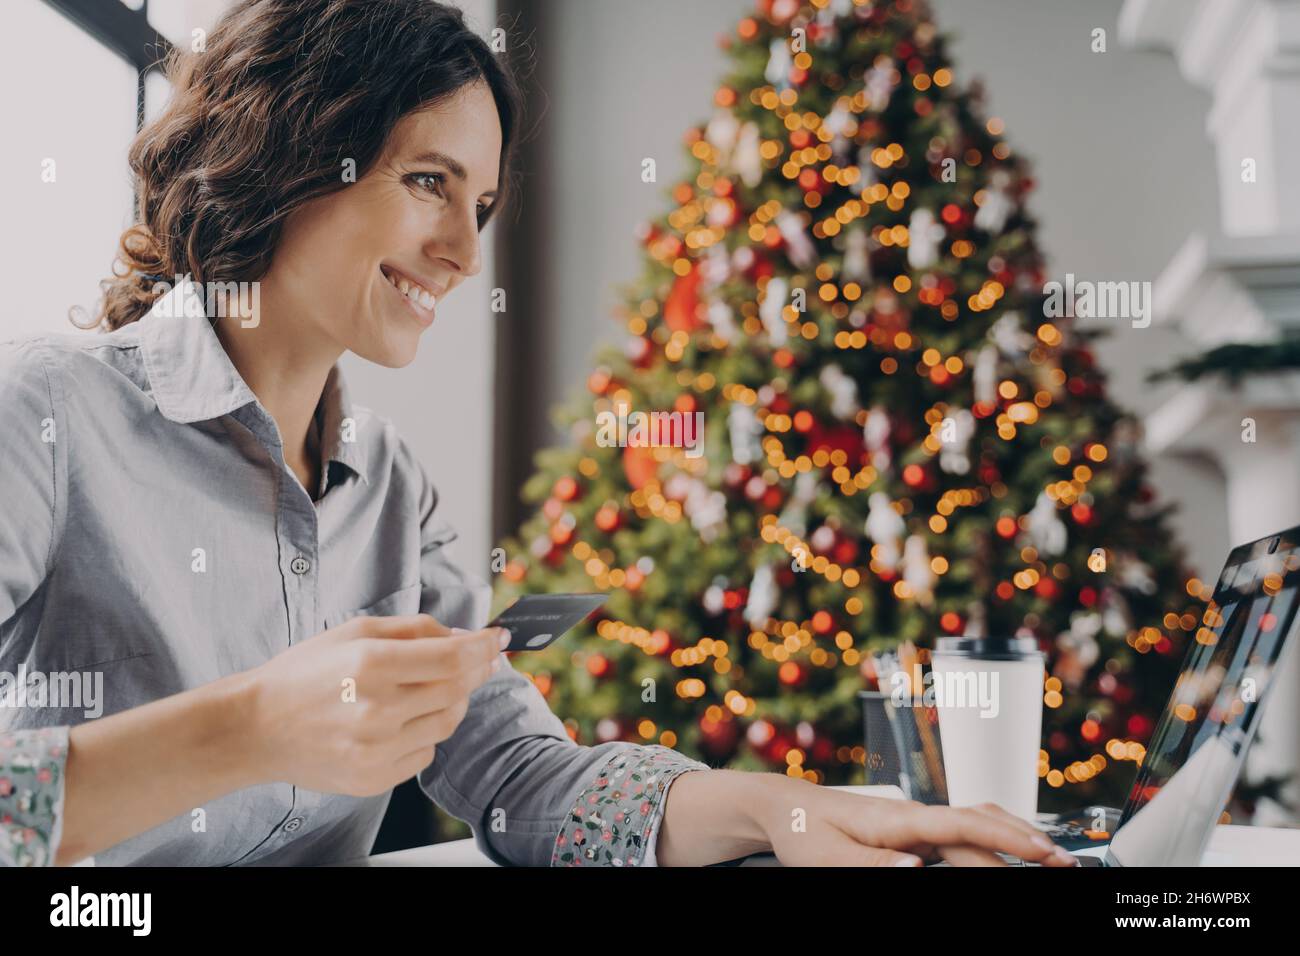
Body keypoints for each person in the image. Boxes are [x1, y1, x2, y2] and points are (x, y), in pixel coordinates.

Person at [0, 0, 1075, 869]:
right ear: (286, 150)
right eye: (428, 181)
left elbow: (518, 776)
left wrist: (786, 810)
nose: (461, 253)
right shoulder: (50, 413)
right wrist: (249, 726)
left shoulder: (383, 483)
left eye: (480, 208)